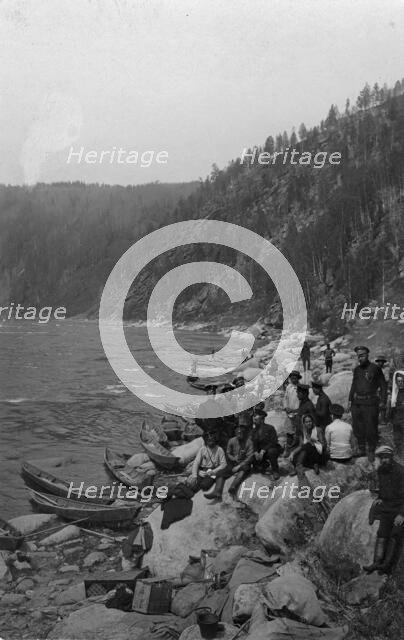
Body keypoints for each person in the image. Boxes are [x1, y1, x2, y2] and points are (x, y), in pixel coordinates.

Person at [363, 445, 404, 575]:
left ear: (391, 457)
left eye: (386, 457)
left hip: (399, 508)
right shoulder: (381, 470)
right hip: (387, 507)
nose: (384, 460)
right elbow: (383, 487)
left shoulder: (401, 471)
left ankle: (386, 566)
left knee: (395, 534)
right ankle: (376, 563)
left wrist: (402, 515)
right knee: (381, 534)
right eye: (382, 458)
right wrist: (380, 497)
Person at [348, 346, 388, 462]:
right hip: (357, 403)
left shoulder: (375, 368)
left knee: (371, 428)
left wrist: (383, 401)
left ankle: (371, 449)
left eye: (363, 355)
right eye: (359, 356)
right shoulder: (356, 370)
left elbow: (383, 386)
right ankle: (361, 449)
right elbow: (353, 385)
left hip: (371, 403)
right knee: (358, 427)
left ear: (367, 355)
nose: (361, 358)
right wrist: (350, 401)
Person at [189, 429, 227, 501]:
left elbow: (223, 464)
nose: (210, 440)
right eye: (208, 439)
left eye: (211, 438)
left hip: (212, 471)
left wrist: (213, 471)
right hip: (203, 471)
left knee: (205, 485)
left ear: (214, 439)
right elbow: (196, 462)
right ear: (206, 440)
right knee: (192, 487)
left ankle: (217, 492)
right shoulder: (203, 449)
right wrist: (195, 474)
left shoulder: (219, 449)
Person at [251, 408, 282, 479]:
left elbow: (273, 442)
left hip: (269, 450)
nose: (254, 420)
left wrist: (263, 451)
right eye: (254, 419)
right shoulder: (254, 431)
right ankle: (264, 464)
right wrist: (256, 452)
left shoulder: (270, 428)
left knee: (272, 451)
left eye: (256, 419)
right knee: (251, 454)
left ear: (262, 419)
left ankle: (275, 470)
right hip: (259, 452)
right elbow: (253, 443)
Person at [226, 424, 254, 497]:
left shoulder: (249, 442)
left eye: (241, 432)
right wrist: (233, 458)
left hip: (244, 464)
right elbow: (228, 453)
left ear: (244, 433)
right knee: (224, 469)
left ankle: (233, 486)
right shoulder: (231, 440)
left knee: (243, 470)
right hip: (233, 462)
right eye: (237, 432)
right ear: (235, 433)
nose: (239, 434)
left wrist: (238, 466)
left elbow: (250, 457)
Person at [388, 370, 404, 459]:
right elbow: (392, 408)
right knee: (397, 438)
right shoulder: (395, 393)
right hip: (396, 420)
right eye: (398, 381)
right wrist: (391, 419)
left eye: (402, 381)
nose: (400, 383)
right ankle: (399, 453)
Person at [375, 355, 389, 422]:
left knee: (383, 404)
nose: (381, 363)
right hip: (378, 389)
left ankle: (382, 419)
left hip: (382, 389)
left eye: (382, 362)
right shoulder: (376, 369)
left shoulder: (383, 369)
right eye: (380, 361)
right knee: (380, 404)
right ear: (378, 362)